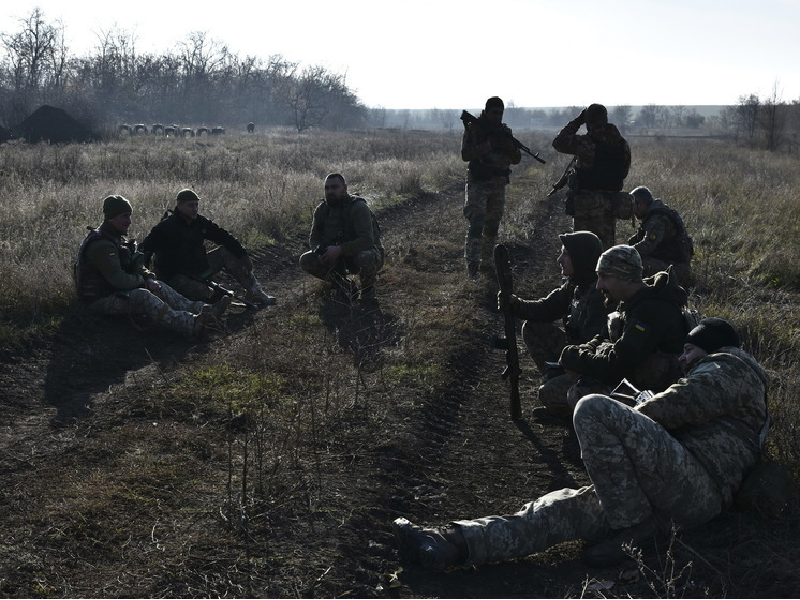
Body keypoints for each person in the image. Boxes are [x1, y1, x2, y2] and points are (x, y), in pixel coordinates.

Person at [393, 317, 769, 571]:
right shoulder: (719, 374)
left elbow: (679, 405)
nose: (683, 359)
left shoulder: (731, 366)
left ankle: (633, 526)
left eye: (690, 350)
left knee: (593, 407)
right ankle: (451, 544)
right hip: (669, 490)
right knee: (559, 509)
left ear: (713, 347)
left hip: (696, 486)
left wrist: (635, 408)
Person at [550, 244, 689, 418]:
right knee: (551, 392)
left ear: (625, 277)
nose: (599, 285)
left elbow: (616, 365)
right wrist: (585, 350)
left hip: (655, 394)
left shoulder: (650, 311)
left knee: (578, 394)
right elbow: (603, 335)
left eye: (604, 277)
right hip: (631, 378)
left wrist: (573, 356)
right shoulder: (630, 301)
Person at [75, 195, 231, 339]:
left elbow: (137, 265)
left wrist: (148, 276)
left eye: (129, 215)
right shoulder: (102, 245)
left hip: (114, 293)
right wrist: (143, 282)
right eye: (124, 216)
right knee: (143, 296)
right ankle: (190, 324)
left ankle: (203, 310)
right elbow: (118, 279)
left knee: (159, 286)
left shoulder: (116, 239)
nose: (129, 221)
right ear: (111, 218)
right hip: (98, 301)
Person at [498, 231, 611, 418]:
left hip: (592, 366)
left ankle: (573, 409)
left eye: (566, 254)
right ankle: (559, 380)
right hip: (575, 354)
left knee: (548, 393)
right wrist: (516, 304)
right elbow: (545, 308)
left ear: (580, 257)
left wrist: (574, 369)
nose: (560, 259)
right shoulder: (574, 285)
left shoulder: (599, 297)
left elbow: (598, 354)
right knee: (533, 327)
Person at [139, 189, 276, 307]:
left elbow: (223, 236)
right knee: (202, 292)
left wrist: (242, 255)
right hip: (175, 277)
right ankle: (210, 301)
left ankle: (255, 292)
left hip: (199, 270)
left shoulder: (200, 222)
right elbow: (144, 250)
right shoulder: (165, 228)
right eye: (190, 205)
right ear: (179, 206)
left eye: (196, 205)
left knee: (226, 252)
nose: (195, 209)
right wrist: (147, 280)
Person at [552, 104, 632, 250]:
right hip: (610, 204)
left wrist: (577, 121)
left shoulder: (586, 143)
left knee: (583, 250)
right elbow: (624, 172)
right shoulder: (622, 144)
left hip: (586, 205)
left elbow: (558, 142)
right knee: (605, 250)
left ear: (588, 122)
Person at [461, 96, 522, 278]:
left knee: (493, 226)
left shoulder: (505, 132)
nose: (497, 116)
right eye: (494, 113)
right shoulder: (474, 129)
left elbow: (517, 158)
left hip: (498, 185)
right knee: (476, 224)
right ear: (486, 112)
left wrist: (508, 146)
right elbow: (466, 155)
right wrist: (489, 145)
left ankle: (487, 263)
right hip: (479, 184)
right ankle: (473, 265)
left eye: (501, 113)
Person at [299, 173, 384, 302]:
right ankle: (344, 285)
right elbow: (314, 238)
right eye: (327, 188)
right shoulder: (322, 210)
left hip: (365, 255)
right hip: (337, 257)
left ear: (344, 188)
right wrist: (320, 252)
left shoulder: (358, 208)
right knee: (306, 259)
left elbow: (367, 241)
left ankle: (367, 290)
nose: (330, 191)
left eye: (334, 187)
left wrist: (340, 249)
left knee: (364, 256)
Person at [627, 185, 694, 286]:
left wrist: (626, 253)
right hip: (670, 262)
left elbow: (647, 246)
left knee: (636, 263)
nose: (633, 211)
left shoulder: (657, 220)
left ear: (641, 204)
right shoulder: (653, 215)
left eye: (634, 207)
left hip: (676, 268)